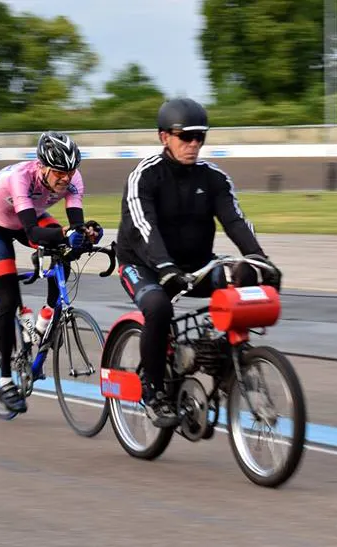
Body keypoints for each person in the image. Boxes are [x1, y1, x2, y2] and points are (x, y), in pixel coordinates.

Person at [115, 97, 282, 427]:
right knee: (159, 307)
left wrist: (260, 260)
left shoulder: (214, 178)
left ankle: (227, 356)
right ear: (164, 137)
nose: (193, 144)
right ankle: (152, 391)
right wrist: (164, 267)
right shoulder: (144, 177)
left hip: (196, 264)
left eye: (200, 137)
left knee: (246, 275)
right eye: (185, 136)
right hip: (145, 264)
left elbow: (235, 221)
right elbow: (144, 227)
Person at [0, 131, 104, 414]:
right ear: (42, 166)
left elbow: (75, 226)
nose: (65, 179)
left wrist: (86, 234)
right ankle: (4, 378)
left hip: (29, 216)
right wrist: (66, 234)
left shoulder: (73, 180)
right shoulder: (20, 178)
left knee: (66, 252)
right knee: (8, 301)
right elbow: (33, 231)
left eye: (70, 172)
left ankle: (45, 319)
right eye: (59, 172)